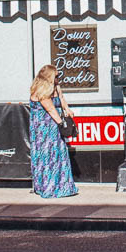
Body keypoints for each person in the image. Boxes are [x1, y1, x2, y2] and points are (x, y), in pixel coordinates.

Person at [28, 64, 77, 198]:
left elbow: (61, 98)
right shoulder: (41, 91)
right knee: (47, 156)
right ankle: (49, 187)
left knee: (59, 154)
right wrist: (62, 124)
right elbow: (51, 110)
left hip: (53, 127)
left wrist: (67, 109)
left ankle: (63, 186)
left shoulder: (56, 87)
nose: (58, 79)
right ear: (49, 77)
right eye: (56, 76)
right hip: (43, 130)